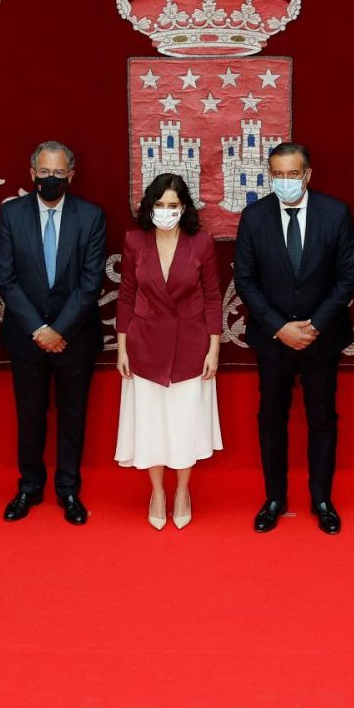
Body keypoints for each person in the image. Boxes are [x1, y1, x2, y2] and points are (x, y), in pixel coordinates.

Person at [233, 142, 354, 534]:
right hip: (273, 339)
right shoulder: (254, 217)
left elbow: (348, 277)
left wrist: (314, 326)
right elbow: (245, 280)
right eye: (278, 174)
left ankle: (322, 499)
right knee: (271, 419)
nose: (285, 181)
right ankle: (274, 498)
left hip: (321, 338)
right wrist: (279, 327)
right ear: (269, 175)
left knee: (322, 419)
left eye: (292, 174)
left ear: (307, 174)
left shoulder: (334, 213)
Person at [0, 140, 107, 525]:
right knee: (30, 416)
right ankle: (29, 487)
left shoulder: (91, 216)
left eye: (58, 173)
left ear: (70, 176)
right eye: (44, 172)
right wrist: (40, 329)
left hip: (75, 337)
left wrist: (59, 330)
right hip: (27, 336)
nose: (50, 179)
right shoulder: (11, 214)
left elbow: (91, 282)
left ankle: (68, 489)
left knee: (73, 417)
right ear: (32, 174)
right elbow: (7, 280)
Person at [115, 173, 223, 530]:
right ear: (149, 207)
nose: (166, 211)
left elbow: (212, 297)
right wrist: (122, 348)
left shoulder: (201, 243)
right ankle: (158, 492)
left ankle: (182, 491)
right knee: (151, 424)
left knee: (184, 423)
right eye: (159, 204)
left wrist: (213, 349)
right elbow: (126, 296)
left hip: (191, 345)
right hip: (145, 345)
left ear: (184, 207)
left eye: (172, 205)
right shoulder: (134, 241)